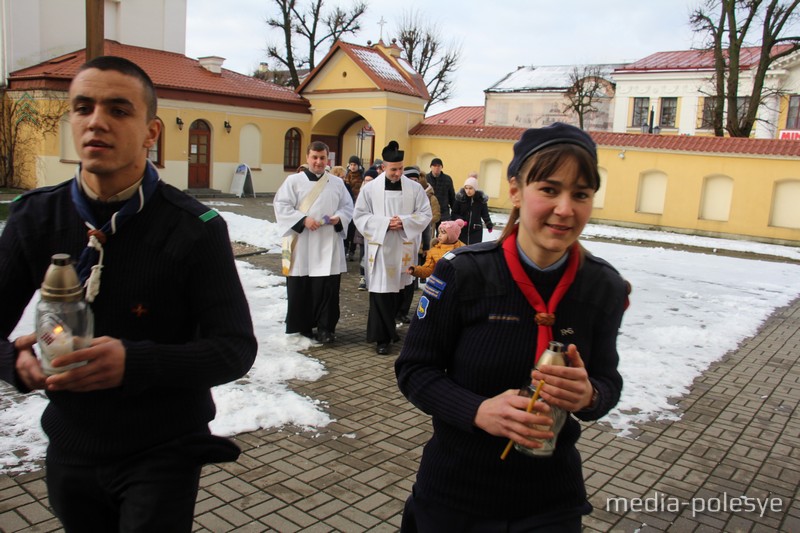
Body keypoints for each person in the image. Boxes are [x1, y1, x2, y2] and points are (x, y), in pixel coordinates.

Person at [0, 56, 257, 532]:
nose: (96, 121)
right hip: (72, 446)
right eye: (83, 107)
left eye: (118, 110)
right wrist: (14, 364)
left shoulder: (195, 229)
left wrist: (134, 363)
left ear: (151, 132)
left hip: (163, 450)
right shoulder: (35, 219)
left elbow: (234, 349)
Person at [395, 122, 630, 531]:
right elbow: (415, 370)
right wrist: (478, 410)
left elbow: (608, 380)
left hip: (550, 503)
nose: (565, 209)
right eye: (550, 189)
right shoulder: (464, 274)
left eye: (581, 194)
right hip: (455, 496)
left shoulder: (602, 286)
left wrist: (590, 395)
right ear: (517, 191)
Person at [353, 141, 432, 355]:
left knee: (398, 293)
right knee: (380, 292)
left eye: (401, 169)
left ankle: (391, 332)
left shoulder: (415, 188)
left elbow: (426, 214)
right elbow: (359, 215)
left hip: (404, 248)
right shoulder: (370, 189)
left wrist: (404, 222)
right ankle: (382, 338)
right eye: (393, 169)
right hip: (380, 248)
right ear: (383, 168)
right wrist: (385, 223)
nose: (398, 173)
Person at [274, 141, 354, 344]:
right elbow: (281, 205)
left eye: (322, 158)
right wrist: (303, 220)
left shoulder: (336, 183)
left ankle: (326, 328)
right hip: (302, 242)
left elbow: (348, 207)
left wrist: (339, 218)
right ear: (308, 157)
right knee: (302, 286)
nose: (318, 162)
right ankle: (303, 326)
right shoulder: (293, 181)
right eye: (314, 157)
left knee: (327, 289)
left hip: (328, 241)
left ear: (328, 159)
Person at [453, 173, 494, 245]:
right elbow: (454, 213)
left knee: (474, 250)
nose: (468, 191)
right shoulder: (460, 199)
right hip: (462, 230)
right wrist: (461, 221)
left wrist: (489, 225)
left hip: (476, 230)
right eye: (466, 188)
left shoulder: (481, 200)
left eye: (470, 188)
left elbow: (485, 214)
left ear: (475, 188)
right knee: (462, 249)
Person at [344, 156, 365, 262]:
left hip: (357, 205)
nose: (352, 167)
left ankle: (352, 250)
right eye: (351, 164)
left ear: (358, 166)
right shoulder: (346, 177)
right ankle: (346, 248)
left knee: (354, 229)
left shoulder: (362, 177)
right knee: (347, 228)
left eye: (354, 165)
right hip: (347, 205)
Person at [425, 157, 455, 221]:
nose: (436, 168)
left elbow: (452, 196)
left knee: (444, 230)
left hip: (444, 212)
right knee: (430, 230)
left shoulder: (447, 179)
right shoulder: (425, 178)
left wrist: (454, 211)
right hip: (429, 211)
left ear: (441, 167)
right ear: (431, 167)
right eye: (434, 165)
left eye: (439, 166)